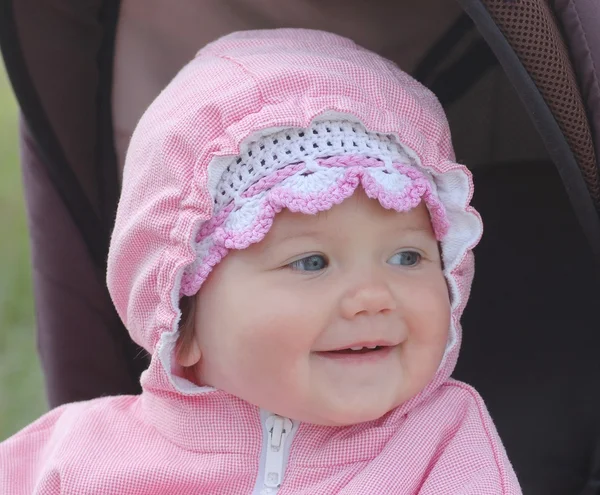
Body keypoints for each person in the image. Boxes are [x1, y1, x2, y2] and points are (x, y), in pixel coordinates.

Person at [0, 29, 521, 494]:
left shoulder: (440, 442)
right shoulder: (78, 457)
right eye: (311, 262)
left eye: (407, 256)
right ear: (183, 316)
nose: (373, 297)